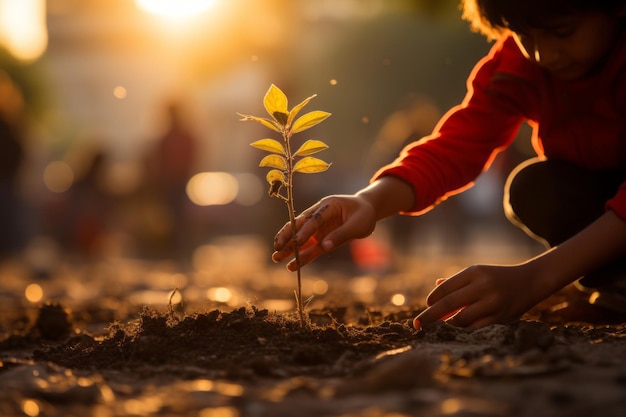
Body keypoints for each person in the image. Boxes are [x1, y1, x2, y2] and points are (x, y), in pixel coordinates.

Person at [272, 0, 626, 329]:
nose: (543, 53)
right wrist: (370, 200)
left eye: (563, 32)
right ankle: (618, 290)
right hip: (598, 195)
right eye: (524, 35)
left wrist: (535, 279)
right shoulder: (517, 67)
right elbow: (458, 146)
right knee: (537, 189)